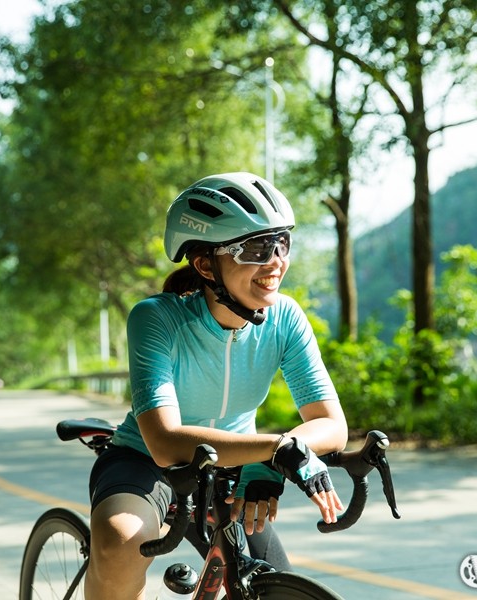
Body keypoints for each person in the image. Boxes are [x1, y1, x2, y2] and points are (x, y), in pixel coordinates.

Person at [85, 172, 348, 599]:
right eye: (257, 248)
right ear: (206, 264)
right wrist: (277, 449)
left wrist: (275, 458)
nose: (275, 261)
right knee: (120, 540)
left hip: (235, 467)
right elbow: (166, 442)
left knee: (270, 587)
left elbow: (331, 424)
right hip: (144, 462)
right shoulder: (157, 318)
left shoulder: (286, 318)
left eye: (281, 243)